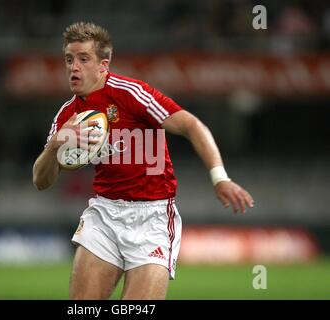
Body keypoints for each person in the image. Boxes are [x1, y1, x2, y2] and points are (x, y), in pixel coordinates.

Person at [32, 22, 254, 300]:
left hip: (153, 219)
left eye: (83, 59)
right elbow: (41, 180)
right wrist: (54, 146)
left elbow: (192, 125)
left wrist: (219, 177)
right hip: (104, 215)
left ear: (104, 64)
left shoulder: (131, 93)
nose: (73, 67)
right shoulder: (68, 115)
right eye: (68, 59)